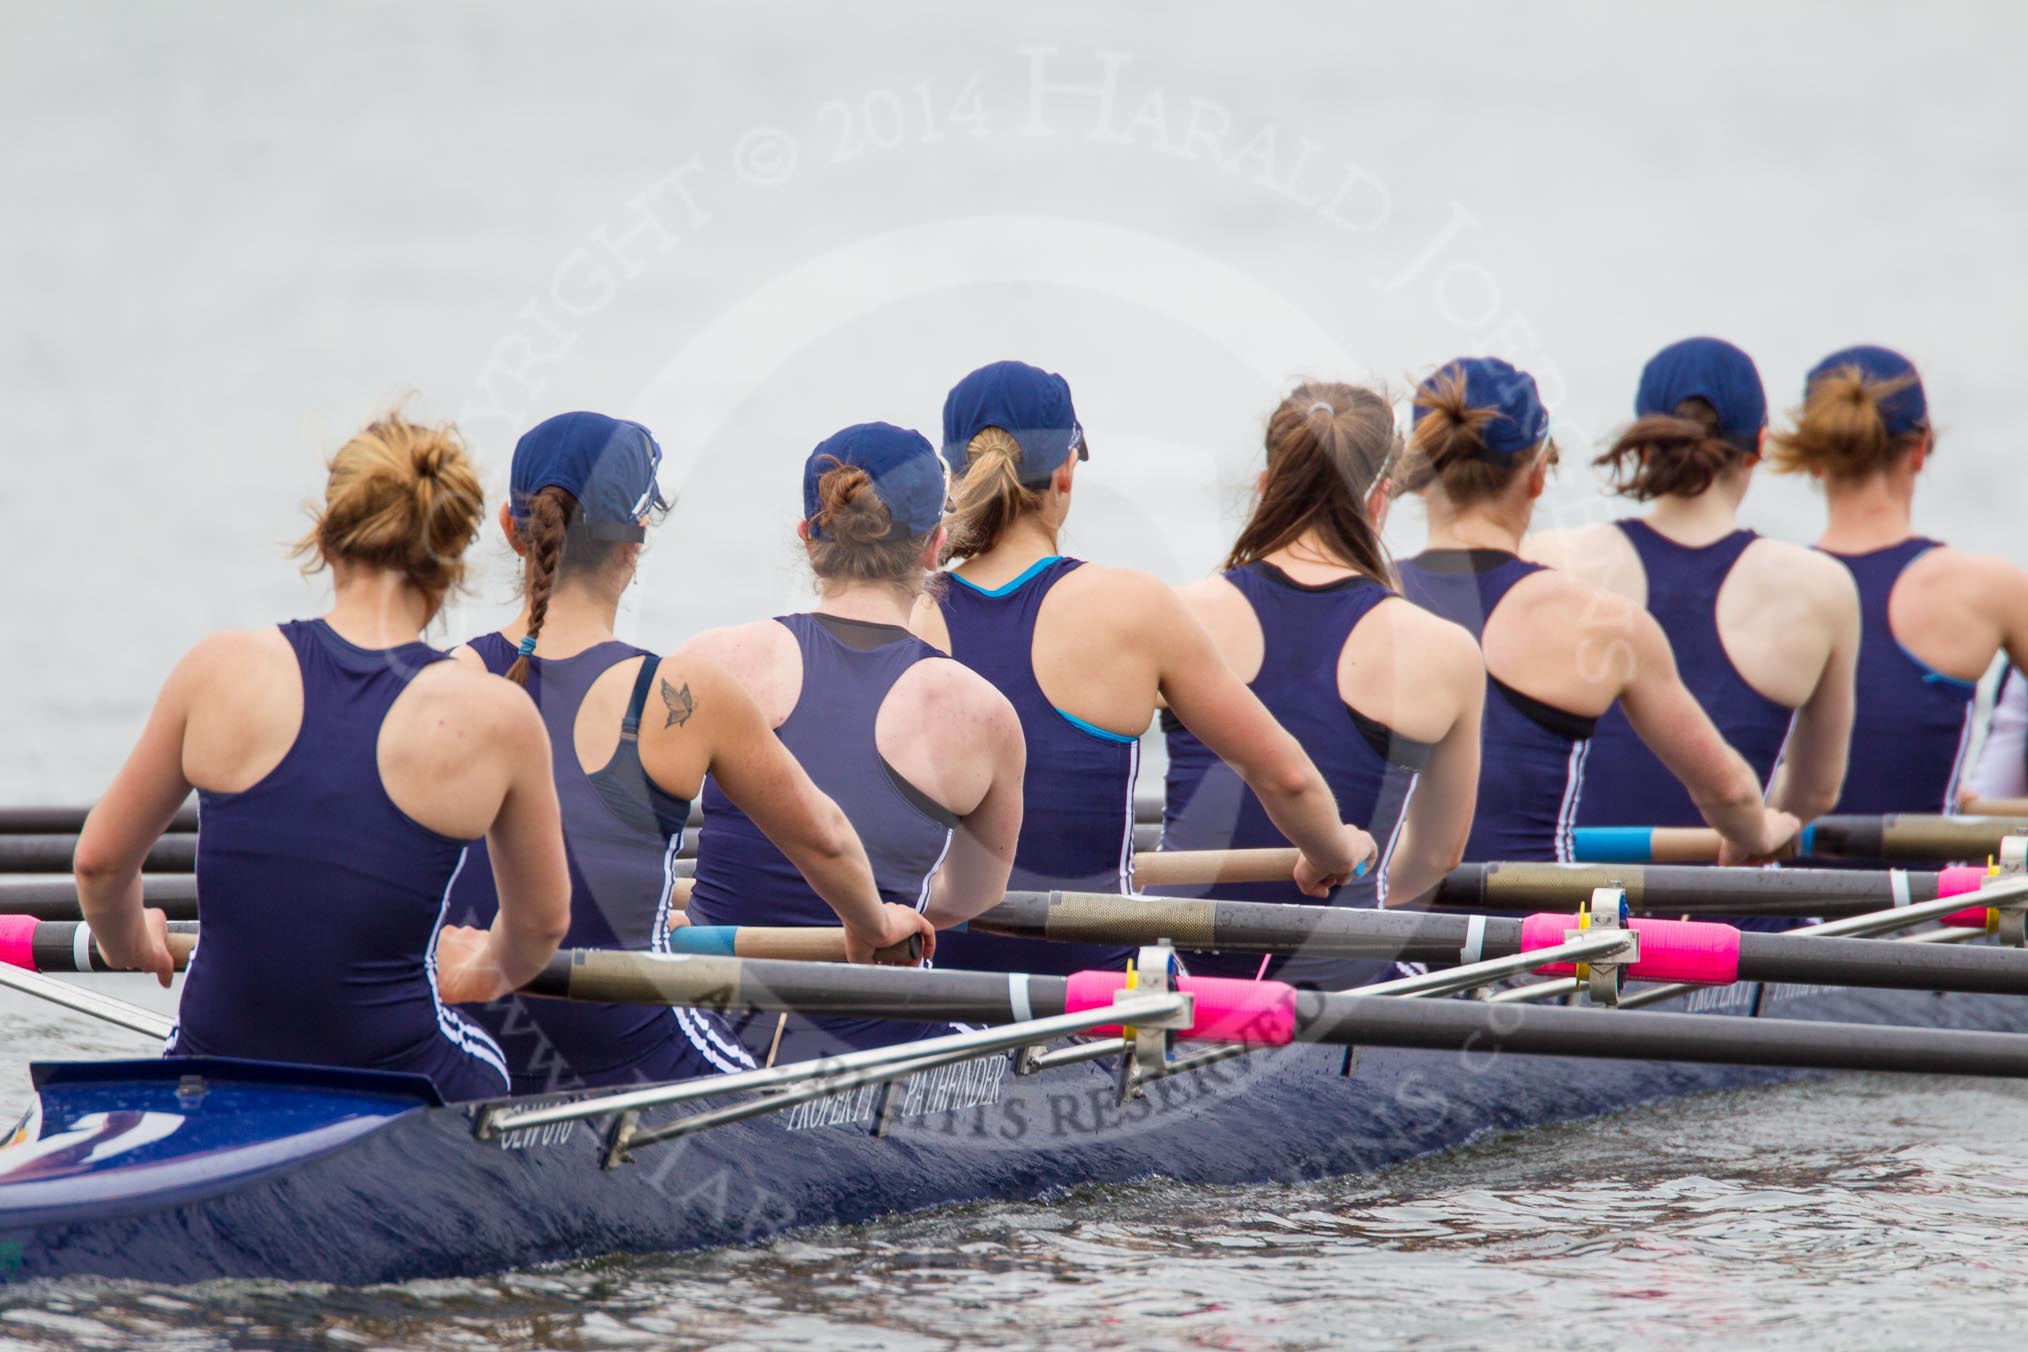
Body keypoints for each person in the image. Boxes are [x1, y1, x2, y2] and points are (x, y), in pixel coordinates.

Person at [72, 411, 571, 1101]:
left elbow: (98, 863)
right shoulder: (497, 714)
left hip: (215, 1056)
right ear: (450, 567)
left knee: (182, 1045)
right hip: (396, 1068)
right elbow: (542, 924)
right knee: (497, 1070)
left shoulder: (217, 669)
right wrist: (481, 968)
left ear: (328, 540)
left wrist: (127, 940)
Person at [438, 412, 932, 1093]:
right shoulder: (680, 692)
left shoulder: (439, 682)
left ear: (509, 529)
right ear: (636, 540)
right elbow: (826, 843)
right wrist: (871, 924)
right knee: (790, 1093)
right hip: (633, 1055)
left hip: (464, 1038)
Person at [915, 360, 1377, 977]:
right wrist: (1334, 849)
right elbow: (1285, 778)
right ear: (1066, 472)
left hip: (940, 983)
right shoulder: (1132, 605)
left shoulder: (910, 614)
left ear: (954, 477)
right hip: (1096, 991)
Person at [682, 422, 1024, 1064]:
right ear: (935, 548)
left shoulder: (711, 660)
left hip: (704, 1032)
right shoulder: (984, 714)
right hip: (873, 1038)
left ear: (809, 539)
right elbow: (973, 896)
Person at [1393, 357, 1798, 866]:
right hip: (1534, 939)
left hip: (1392, 937)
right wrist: (1760, 831)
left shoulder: (1366, 602)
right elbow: (1731, 797)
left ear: (1421, 476)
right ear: (1538, 476)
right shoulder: (1604, 624)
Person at [1159, 381, 1483, 982]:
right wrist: (1360, 876)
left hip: (1179, 971)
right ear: (1381, 499)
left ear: (1265, 489)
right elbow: (1438, 856)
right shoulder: (1446, 649)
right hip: (1342, 980)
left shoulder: (1176, 614)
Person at [1525, 337, 1859, 832]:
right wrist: (1753, 830)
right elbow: (1815, 791)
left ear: (1644, 440)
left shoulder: (1548, 558)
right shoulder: (1823, 586)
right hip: (1734, 899)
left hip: (1585, 904)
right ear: (1759, 447)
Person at [1770, 345, 2028, 817]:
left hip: (1777, 888)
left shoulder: (1760, 589)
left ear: (1815, 460)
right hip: (1937, 891)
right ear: (1920, 449)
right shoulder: (1987, 589)